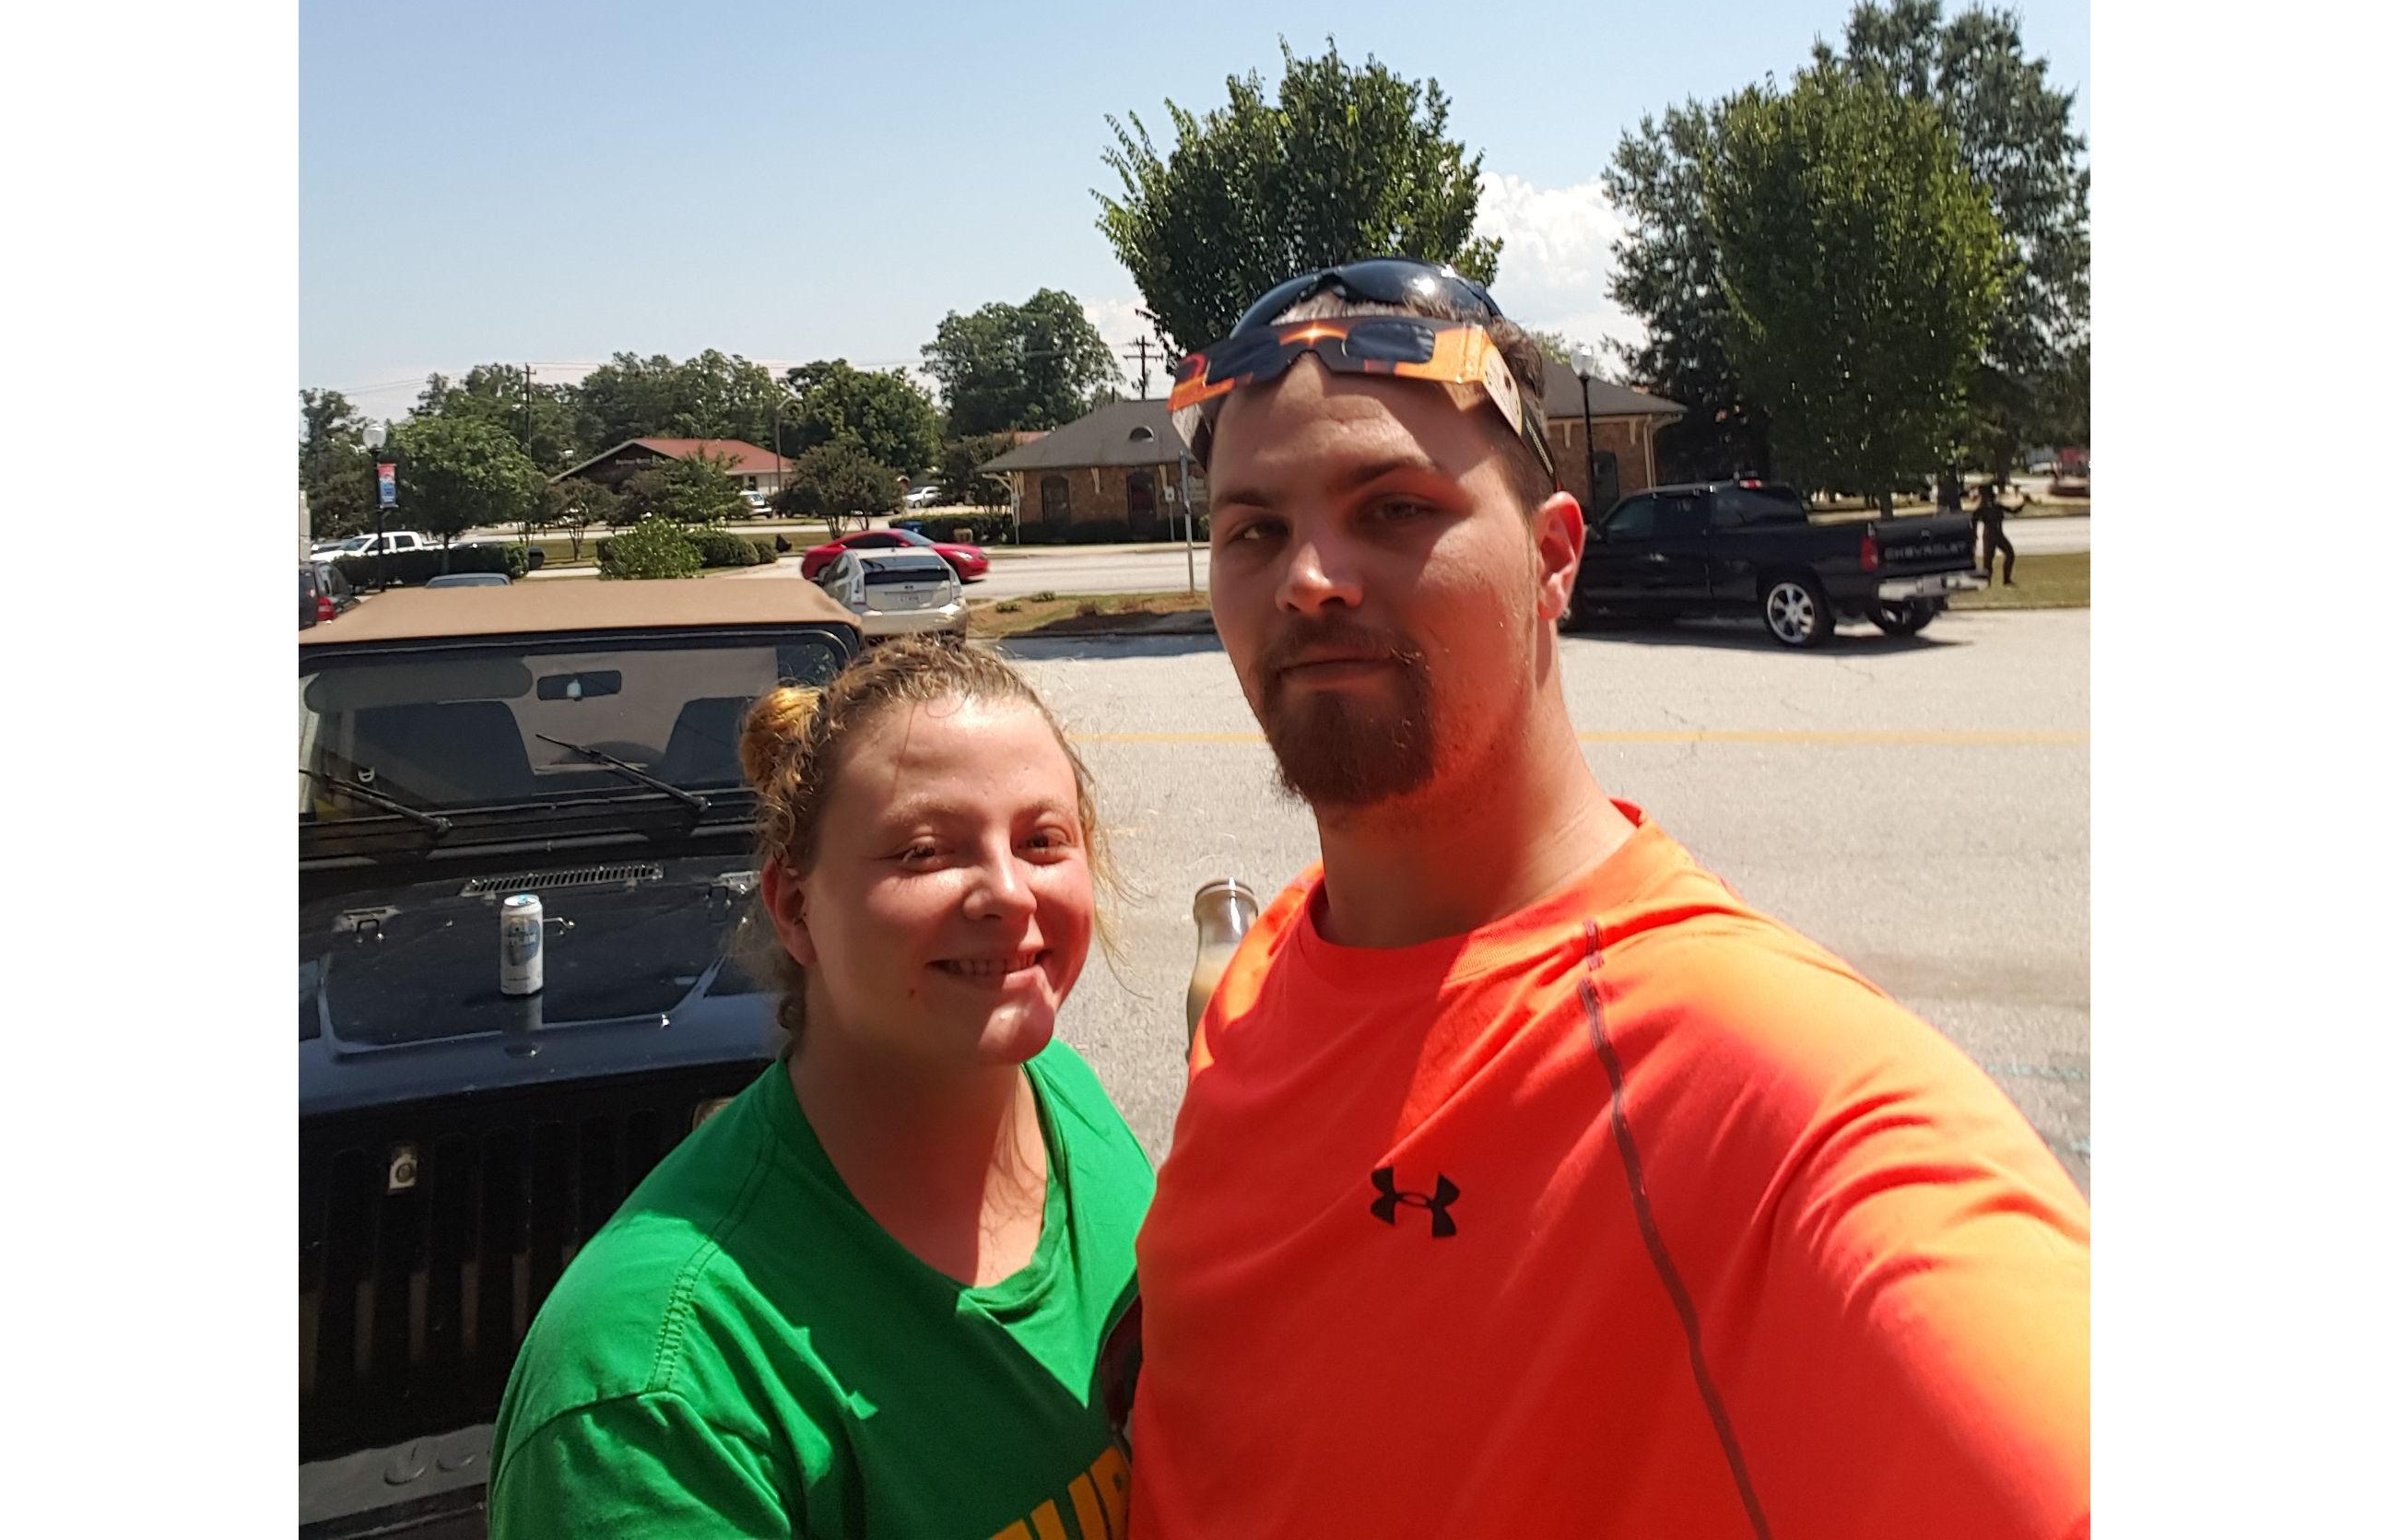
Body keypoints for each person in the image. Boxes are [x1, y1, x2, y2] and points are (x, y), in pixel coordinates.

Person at [1128, 260, 2088, 1539]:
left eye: (1396, 507)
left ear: (1554, 557)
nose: (1310, 575)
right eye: (1253, 529)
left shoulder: (1765, 1084)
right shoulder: (1252, 981)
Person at [488, 636, 1149, 1539]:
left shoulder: (1069, 1102)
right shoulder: (656, 1392)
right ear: (794, 906)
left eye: (1042, 840)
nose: (1008, 892)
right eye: (924, 852)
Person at [1975, 476, 2018, 584]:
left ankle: (2006, 579)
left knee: (2010, 554)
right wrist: (1973, 535)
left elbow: (2012, 510)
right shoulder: (1983, 508)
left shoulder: (1995, 505)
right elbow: (1974, 520)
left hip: (1998, 534)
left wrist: (2022, 504)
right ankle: (1987, 581)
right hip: (1990, 535)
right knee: (1988, 561)